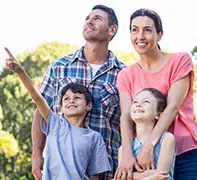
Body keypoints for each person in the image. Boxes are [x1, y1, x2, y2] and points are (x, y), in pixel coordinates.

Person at [31, 4, 125, 180]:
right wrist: (37, 155)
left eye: (97, 19)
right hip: (62, 172)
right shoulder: (59, 67)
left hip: (106, 171)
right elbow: (39, 111)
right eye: (87, 18)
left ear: (112, 29)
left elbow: (129, 121)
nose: (89, 22)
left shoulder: (123, 74)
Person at [115, 8, 197, 180]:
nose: (140, 36)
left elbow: (172, 107)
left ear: (159, 35)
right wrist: (127, 153)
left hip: (185, 152)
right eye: (134, 30)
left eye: (147, 30)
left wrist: (149, 145)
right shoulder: (125, 75)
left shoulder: (179, 61)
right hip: (146, 157)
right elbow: (126, 116)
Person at [5, 47, 111, 179]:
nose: (71, 101)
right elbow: (37, 96)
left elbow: (95, 175)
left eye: (77, 98)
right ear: (61, 107)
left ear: (88, 106)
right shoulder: (55, 124)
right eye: (66, 99)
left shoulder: (94, 138)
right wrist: (20, 71)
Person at [118, 88, 175, 180]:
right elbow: (121, 177)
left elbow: (162, 175)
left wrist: (132, 177)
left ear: (158, 115)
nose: (138, 104)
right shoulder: (124, 149)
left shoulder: (166, 139)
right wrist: (151, 176)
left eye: (146, 102)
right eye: (135, 101)